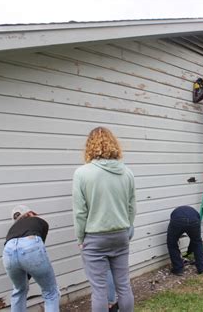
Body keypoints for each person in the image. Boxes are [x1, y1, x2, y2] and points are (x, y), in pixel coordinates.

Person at [72, 127, 136, 312]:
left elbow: (79, 212)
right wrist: (127, 228)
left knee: (99, 291)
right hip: (121, 235)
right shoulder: (127, 173)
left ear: (90, 147)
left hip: (94, 238)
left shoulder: (82, 173)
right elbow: (132, 207)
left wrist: (80, 238)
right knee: (124, 285)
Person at [2, 205, 60, 312]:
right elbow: (38, 247)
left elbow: (17, 256)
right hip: (31, 244)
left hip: (8, 250)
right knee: (50, 292)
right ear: (30, 214)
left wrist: (25, 277)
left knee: (19, 290)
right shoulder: (38, 221)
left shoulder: (13, 229)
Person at [166, 206, 203, 276]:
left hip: (178, 220)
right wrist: (189, 251)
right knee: (197, 242)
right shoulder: (195, 213)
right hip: (194, 220)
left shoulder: (176, 213)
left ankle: (178, 269)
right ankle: (202, 268)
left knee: (172, 242)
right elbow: (194, 240)